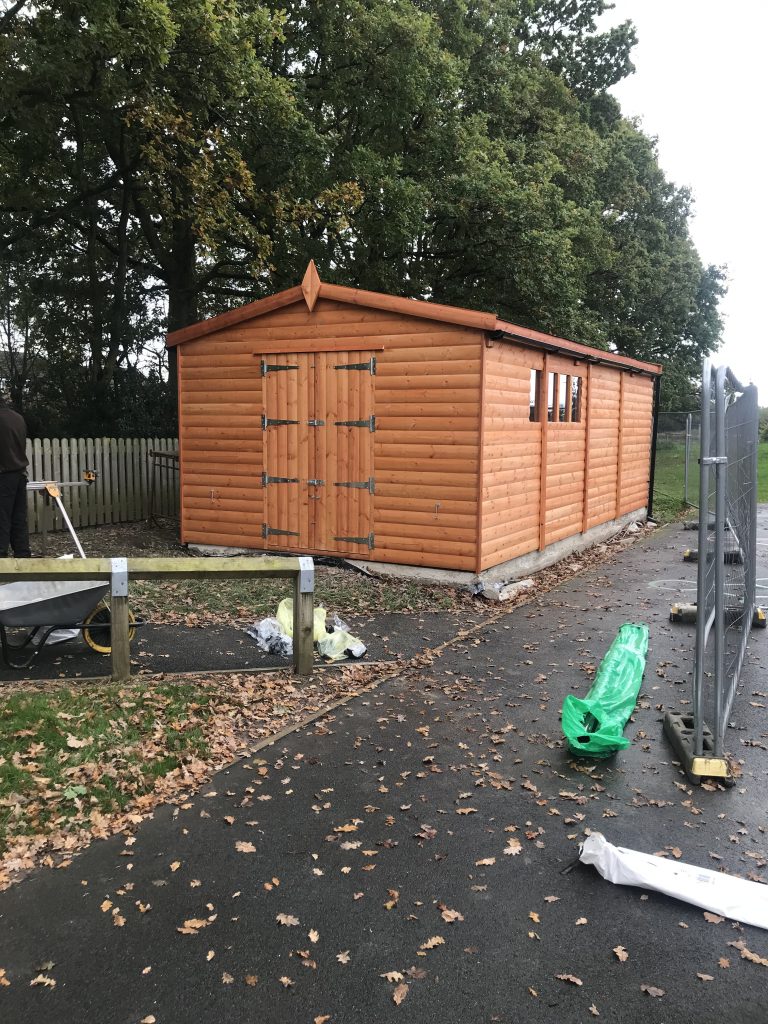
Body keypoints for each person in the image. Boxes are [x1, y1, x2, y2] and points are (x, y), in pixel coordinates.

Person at [0, 389, 32, 557]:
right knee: (19, 519)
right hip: (20, 474)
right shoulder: (18, 418)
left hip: (3, 475)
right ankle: (23, 558)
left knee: (2, 519)